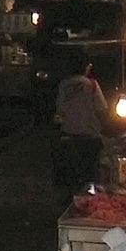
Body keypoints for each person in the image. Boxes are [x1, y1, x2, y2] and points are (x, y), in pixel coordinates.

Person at [53, 63, 108, 201]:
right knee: (90, 175)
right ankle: (88, 202)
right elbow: (101, 110)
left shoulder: (63, 85)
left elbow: (60, 111)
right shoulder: (92, 85)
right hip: (90, 137)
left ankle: (70, 203)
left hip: (69, 136)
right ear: (86, 67)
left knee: (71, 175)